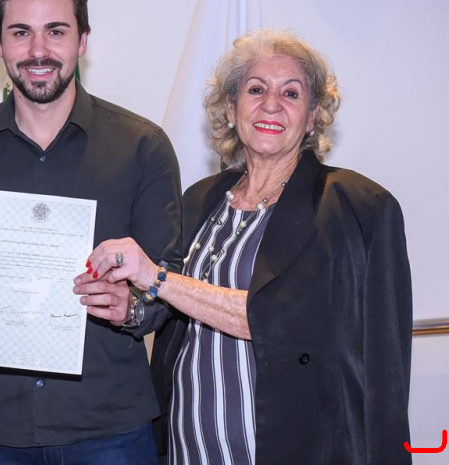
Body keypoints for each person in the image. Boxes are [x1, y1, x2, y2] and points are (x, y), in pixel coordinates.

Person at [76, 29, 413, 464]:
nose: (271, 104)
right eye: (256, 89)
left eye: (291, 93)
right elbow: (173, 315)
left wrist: (156, 279)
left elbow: (282, 320)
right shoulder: (199, 200)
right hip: (188, 449)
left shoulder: (353, 207)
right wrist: (132, 309)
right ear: (232, 109)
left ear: (313, 116)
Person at [0, 0, 182, 465]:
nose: (38, 51)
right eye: (20, 32)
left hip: (110, 430)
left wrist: (132, 308)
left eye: (56, 31)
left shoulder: (143, 148)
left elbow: (169, 277)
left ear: (82, 40)